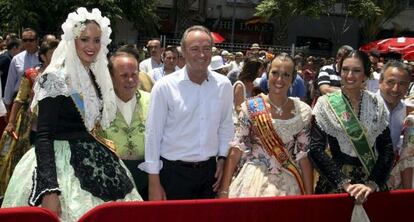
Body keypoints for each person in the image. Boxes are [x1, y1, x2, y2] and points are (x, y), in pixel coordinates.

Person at [1, 8, 141, 221]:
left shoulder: (94, 76)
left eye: (96, 40)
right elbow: (44, 135)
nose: (91, 46)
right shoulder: (54, 78)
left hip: (98, 161)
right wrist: (49, 189)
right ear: (71, 40)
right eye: (84, 39)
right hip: (60, 165)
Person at [139, 25, 234, 200]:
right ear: (183, 51)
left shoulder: (224, 85)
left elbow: (226, 125)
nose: (202, 55)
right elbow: (153, 135)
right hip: (173, 175)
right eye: (195, 49)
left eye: (206, 49)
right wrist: (154, 181)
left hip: (210, 175)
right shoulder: (164, 87)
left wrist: (222, 158)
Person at [219, 53, 313, 198]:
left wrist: (309, 197)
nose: (279, 79)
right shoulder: (251, 107)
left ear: (292, 79)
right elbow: (236, 150)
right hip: (253, 182)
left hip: (288, 182)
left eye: (286, 75)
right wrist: (224, 190)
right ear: (267, 75)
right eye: (275, 73)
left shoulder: (302, 111)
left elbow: (303, 157)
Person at [309, 50, 394, 204]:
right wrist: (344, 184)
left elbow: (386, 148)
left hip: (370, 181)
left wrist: (372, 184)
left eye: (356, 71)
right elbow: (315, 148)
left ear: (366, 75)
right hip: (335, 183)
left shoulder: (377, 104)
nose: (349, 75)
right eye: (345, 69)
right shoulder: (325, 104)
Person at [0, 40, 59, 196]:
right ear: (43, 57)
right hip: (32, 126)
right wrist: (11, 122)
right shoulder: (31, 74)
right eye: (53, 53)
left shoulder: (67, 75)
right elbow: (19, 99)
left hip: (59, 128)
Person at [105, 51, 151, 200]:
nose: (130, 80)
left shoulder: (153, 100)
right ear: (111, 77)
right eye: (124, 75)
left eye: (134, 74)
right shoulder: (100, 105)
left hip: (147, 179)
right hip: (111, 178)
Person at [4, 28, 40, 109]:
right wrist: (7, 106)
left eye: (31, 40)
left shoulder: (46, 57)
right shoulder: (16, 59)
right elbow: (10, 84)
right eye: (25, 40)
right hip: (19, 102)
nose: (28, 42)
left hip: (39, 100)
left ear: (37, 41)